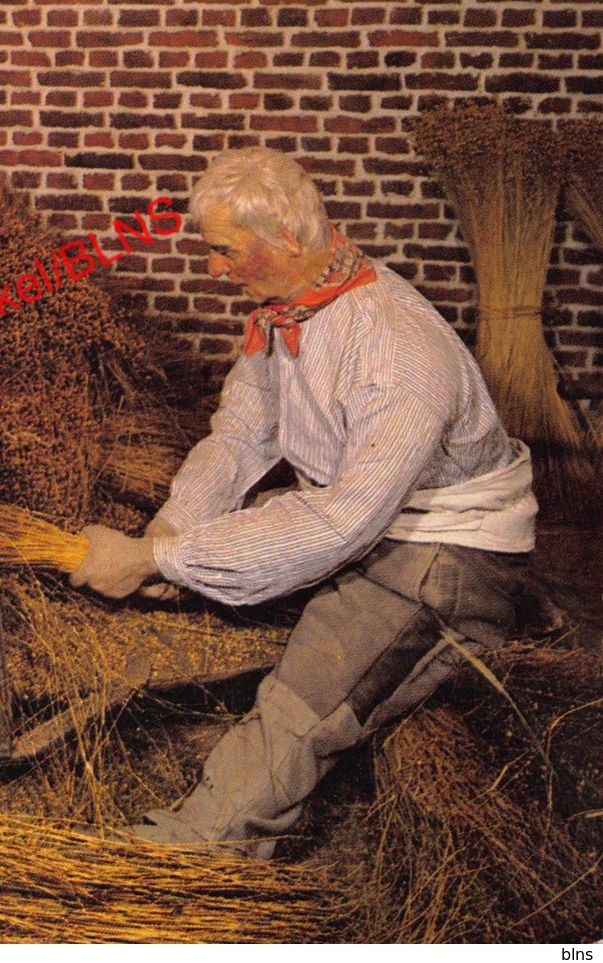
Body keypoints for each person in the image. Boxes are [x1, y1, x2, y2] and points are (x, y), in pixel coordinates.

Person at [70, 146, 537, 859]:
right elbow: (239, 435)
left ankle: (190, 855)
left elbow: (341, 523)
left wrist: (159, 558)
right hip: (362, 518)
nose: (213, 269)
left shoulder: (396, 349)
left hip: (444, 551)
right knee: (207, 587)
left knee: (303, 701)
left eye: (225, 251)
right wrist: (171, 530)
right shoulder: (292, 308)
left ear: (288, 239)